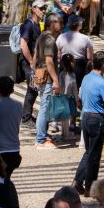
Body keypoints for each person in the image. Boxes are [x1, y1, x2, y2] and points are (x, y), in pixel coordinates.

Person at [73, 51, 104, 195]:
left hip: (85, 117)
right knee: (94, 156)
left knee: (89, 152)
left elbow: (81, 98)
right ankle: (90, 187)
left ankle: (78, 181)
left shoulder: (86, 78)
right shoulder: (102, 82)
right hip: (97, 119)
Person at [34, 13, 62, 149]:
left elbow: (35, 56)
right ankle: (41, 139)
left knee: (44, 106)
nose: (61, 25)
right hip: (47, 78)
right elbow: (49, 61)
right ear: (51, 23)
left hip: (40, 75)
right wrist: (56, 80)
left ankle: (42, 135)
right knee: (44, 108)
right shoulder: (50, 40)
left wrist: (34, 73)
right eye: (59, 22)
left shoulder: (42, 36)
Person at [17, 0, 46, 122]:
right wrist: (31, 61)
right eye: (40, 8)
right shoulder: (28, 24)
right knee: (32, 88)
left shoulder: (37, 24)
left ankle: (27, 115)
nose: (43, 11)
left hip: (35, 62)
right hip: (28, 63)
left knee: (34, 89)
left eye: (44, 8)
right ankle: (26, 117)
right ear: (33, 9)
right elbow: (23, 44)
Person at [56, 15, 94, 88]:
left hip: (64, 64)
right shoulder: (86, 39)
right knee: (76, 87)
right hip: (79, 66)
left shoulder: (61, 37)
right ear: (79, 25)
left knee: (63, 87)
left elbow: (57, 54)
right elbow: (90, 57)